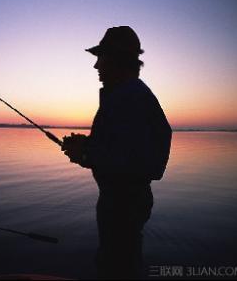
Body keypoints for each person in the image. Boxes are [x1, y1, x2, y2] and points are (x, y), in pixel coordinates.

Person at [61, 26, 172, 279]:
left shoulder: (130, 97)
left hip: (123, 205)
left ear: (116, 60)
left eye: (101, 58)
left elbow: (141, 161)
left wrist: (88, 154)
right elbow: (124, 146)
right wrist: (88, 145)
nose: (96, 66)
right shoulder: (127, 95)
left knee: (116, 267)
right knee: (120, 262)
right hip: (121, 202)